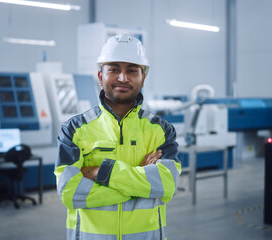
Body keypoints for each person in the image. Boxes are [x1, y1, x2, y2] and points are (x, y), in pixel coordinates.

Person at [55, 34, 181, 240]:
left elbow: (166, 186)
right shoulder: (74, 129)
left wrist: (99, 172)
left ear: (143, 77)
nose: (123, 78)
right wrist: (140, 181)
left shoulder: (161, 130)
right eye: (114, 69)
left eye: (132, 70)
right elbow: (69, 192)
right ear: (100, 76)